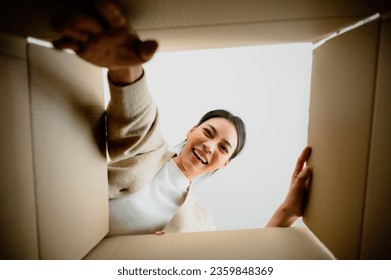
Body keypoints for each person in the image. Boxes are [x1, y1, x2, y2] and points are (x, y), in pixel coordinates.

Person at [50, 0, 312, 236]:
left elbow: (234, 263)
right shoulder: (150, 151)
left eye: (223, 148)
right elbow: (137, 119)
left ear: (224, 164)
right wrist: (124, 65)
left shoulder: (202, 223)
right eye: (208, 133)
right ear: (191, 131)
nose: (210, 146)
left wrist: (287, 212)